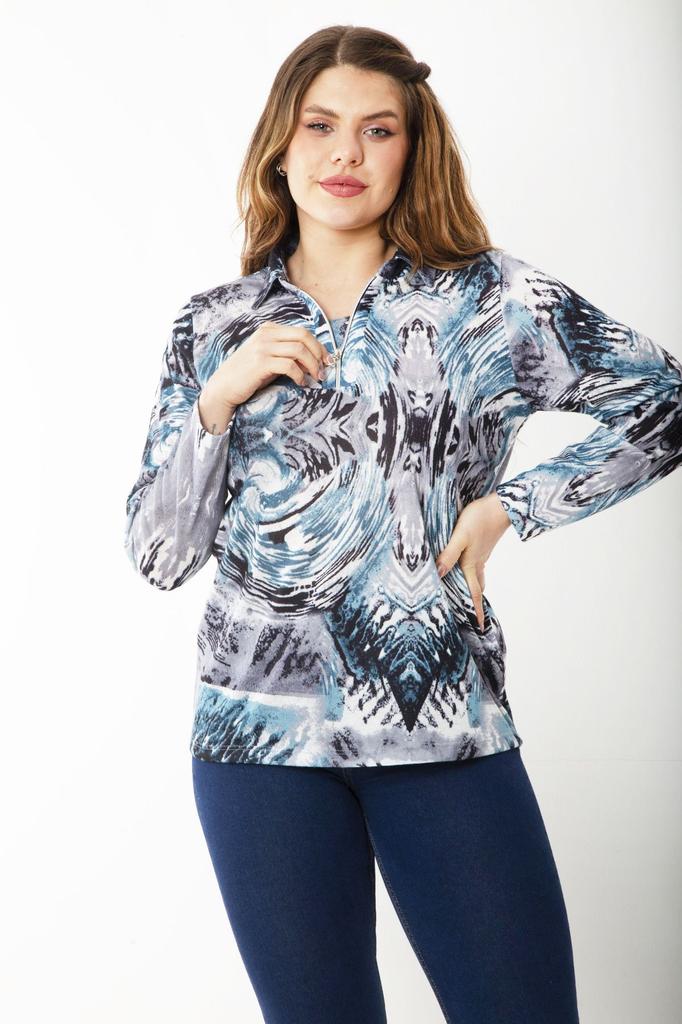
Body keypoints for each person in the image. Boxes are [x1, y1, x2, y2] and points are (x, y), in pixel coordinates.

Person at [123, 24, 682, 1024]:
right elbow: (159, 555)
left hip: (442, 726)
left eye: (378, 130)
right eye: (321, 126)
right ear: (280, 146)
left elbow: (663, 401)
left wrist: (512, 507)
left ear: (411, 152)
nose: (346, 153)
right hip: (255, 747)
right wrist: (217, 400)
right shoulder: (213, 324)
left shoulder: (491, 300)